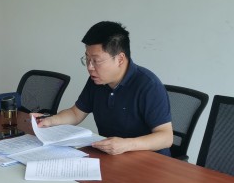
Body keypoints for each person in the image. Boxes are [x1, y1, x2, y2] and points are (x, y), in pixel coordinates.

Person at [36, 21, 173, 156]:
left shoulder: (148, 85)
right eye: (87, 59)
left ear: (120, 59)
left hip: (150, 160)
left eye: (96, 61)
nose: (90, 67)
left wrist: (126, 145)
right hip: (112, 156)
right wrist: (49, 121)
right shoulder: (96, 81)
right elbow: (75, 113)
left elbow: (166, 137)